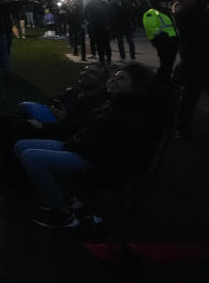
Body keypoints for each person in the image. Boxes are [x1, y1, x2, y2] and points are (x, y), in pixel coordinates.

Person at [13, 63, 160, 228]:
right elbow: (88, 128)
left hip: (97, 161)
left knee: (30, 157)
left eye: (122, 79)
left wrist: (75, 142)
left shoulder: (131, 111)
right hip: (81, 147)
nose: (113, 80)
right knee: (21, 145)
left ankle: (64, 215)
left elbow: (112, 148)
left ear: (135, 87)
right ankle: (67, 198)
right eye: (114, 76)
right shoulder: (114, 102)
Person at [0, 63, 110, 167]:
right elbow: (52, 105)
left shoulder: (96, 102)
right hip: (50, 122)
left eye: (92, 73)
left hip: (62, 133)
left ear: (102, 82)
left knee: (21, 126)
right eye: (84, 70)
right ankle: (7, 160)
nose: (85, 73)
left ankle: (14, 169)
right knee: (4, 120)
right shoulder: (73, 92)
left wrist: (45, 124)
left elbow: (76, 126)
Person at [173, 0, 209, 139]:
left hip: (198, 61)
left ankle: (183, 126)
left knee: (190, 97)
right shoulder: (184, 15)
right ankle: (183, 127)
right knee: (189, 97)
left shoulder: (195, 14)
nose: (193, 0)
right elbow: (199, 5)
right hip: (195, 62)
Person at [142, 0, 178, 86]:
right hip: (163, 42)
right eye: (164, 1)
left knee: (169, 63)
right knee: (165, 64)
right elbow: (153, 29)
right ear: (158, 2)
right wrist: (164, 38)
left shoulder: (165, 12)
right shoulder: (151, 13)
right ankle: (162, 82)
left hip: (172, 41)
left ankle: (165, 81)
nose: (167, 3)